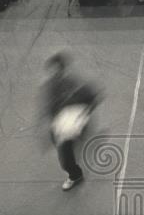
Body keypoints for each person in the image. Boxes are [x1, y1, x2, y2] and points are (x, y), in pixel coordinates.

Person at [40, 52, 101, 191]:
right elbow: (49, 106)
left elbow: (92, 98)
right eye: (51, 70)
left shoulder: (75, 85)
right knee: (63, 149)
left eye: (56, 70)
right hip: (60, 125)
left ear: (62, 69)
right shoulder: (51, 85)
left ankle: (75, 175)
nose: (53, 74)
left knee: (66, 160)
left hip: (73, 124)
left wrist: (81, 116)